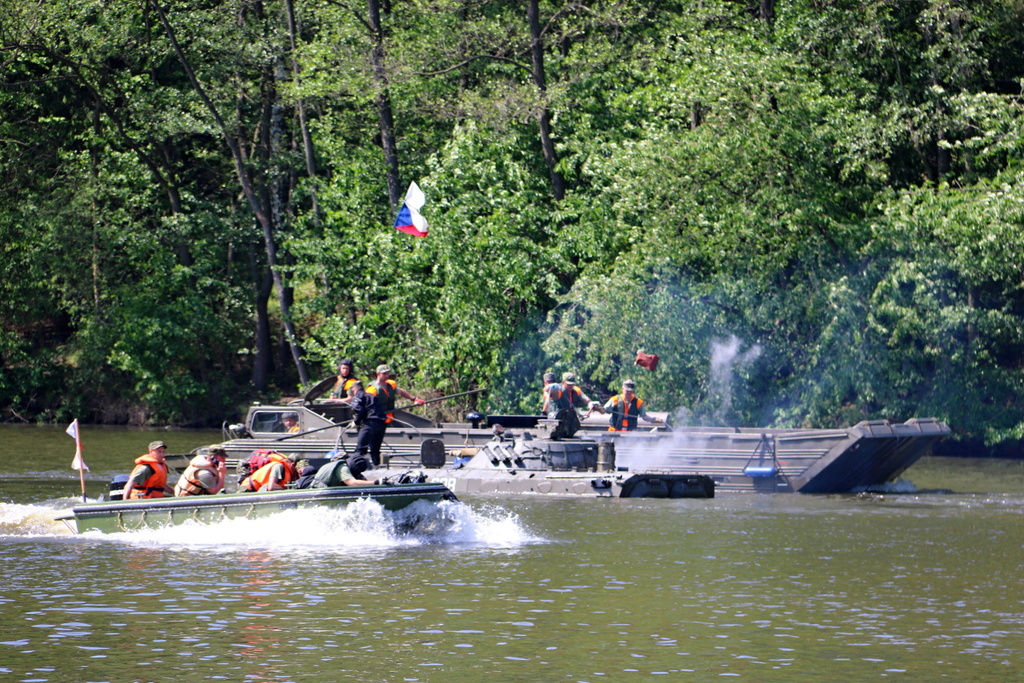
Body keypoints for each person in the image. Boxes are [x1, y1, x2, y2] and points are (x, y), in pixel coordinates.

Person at [348, 379, 388, 467]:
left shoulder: (358, 396)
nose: (353, 392)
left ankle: (355, 469)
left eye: (352, 390)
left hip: (370, 424)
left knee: (360, 449)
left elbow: (359, 410)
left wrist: (356, 422)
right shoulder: (372, 396)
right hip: (381, 424)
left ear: (355, 388)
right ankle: (377, 467)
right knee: (375, 449)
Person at [311, 453, 377, 487]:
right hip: (320, 493)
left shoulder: (336, 464)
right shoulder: (343, 468)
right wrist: (375, 482)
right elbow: (352, 483)